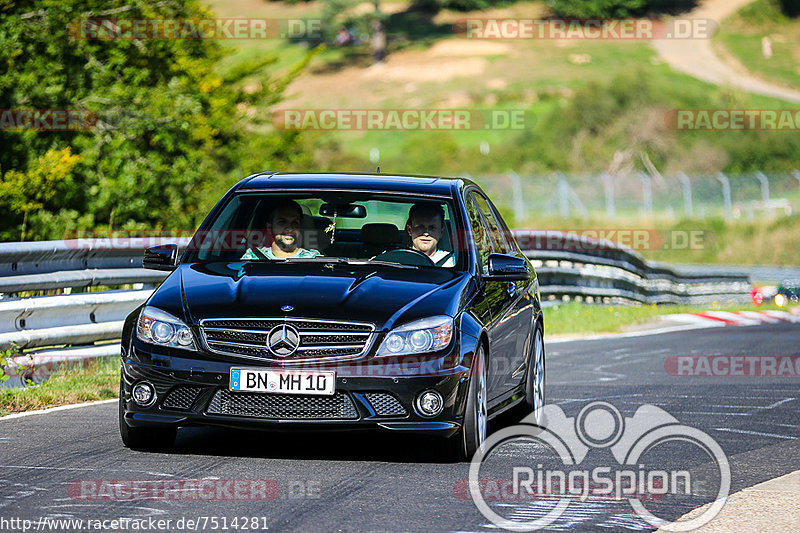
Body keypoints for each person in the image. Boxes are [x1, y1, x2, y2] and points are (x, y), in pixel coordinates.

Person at [241, 200, 321, 260]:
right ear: (269, 228)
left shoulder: (314, 259)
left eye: (295, 222)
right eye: (282, 222)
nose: (290, 228)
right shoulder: (252, 257)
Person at [405, 202, 455, 267]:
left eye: (432, 228)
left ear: (441, 232)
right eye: (420, 227)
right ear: (409, 230)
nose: (426, 233)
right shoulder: (396, 259)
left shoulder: (452, 262)